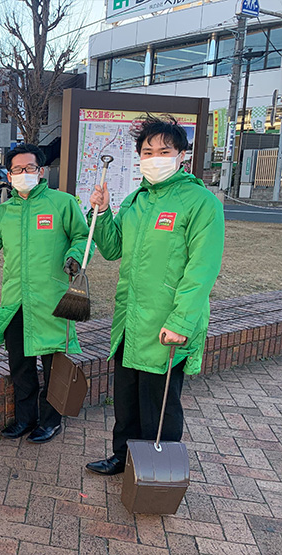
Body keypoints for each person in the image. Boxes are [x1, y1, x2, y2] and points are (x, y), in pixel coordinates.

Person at [85, 114, 224, 476]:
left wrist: (181, 321)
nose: (155, 157)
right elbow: (113, 249)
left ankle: (159, 471)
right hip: (131, 321)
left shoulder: (200, 203)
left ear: (181, 155)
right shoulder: (136, 201)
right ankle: (124, 457)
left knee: (159, 405)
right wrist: (101, 212)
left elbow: (202, 270)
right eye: (148, 151)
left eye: (165, 150)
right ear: (139, 157)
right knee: (127, 399)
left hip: (166, 323)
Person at [0, 143, 92, 443]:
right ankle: (24, 418)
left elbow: (83, 235)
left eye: (29, 168)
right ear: (9, 174)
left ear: (41, 171)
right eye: (17, 170)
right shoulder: (5, 211)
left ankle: (50, 421)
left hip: (52, 299)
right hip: (15, 301)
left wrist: (75, 255)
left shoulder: (62, 203)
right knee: (20, 364)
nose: (23, 174)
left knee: (52, 365)